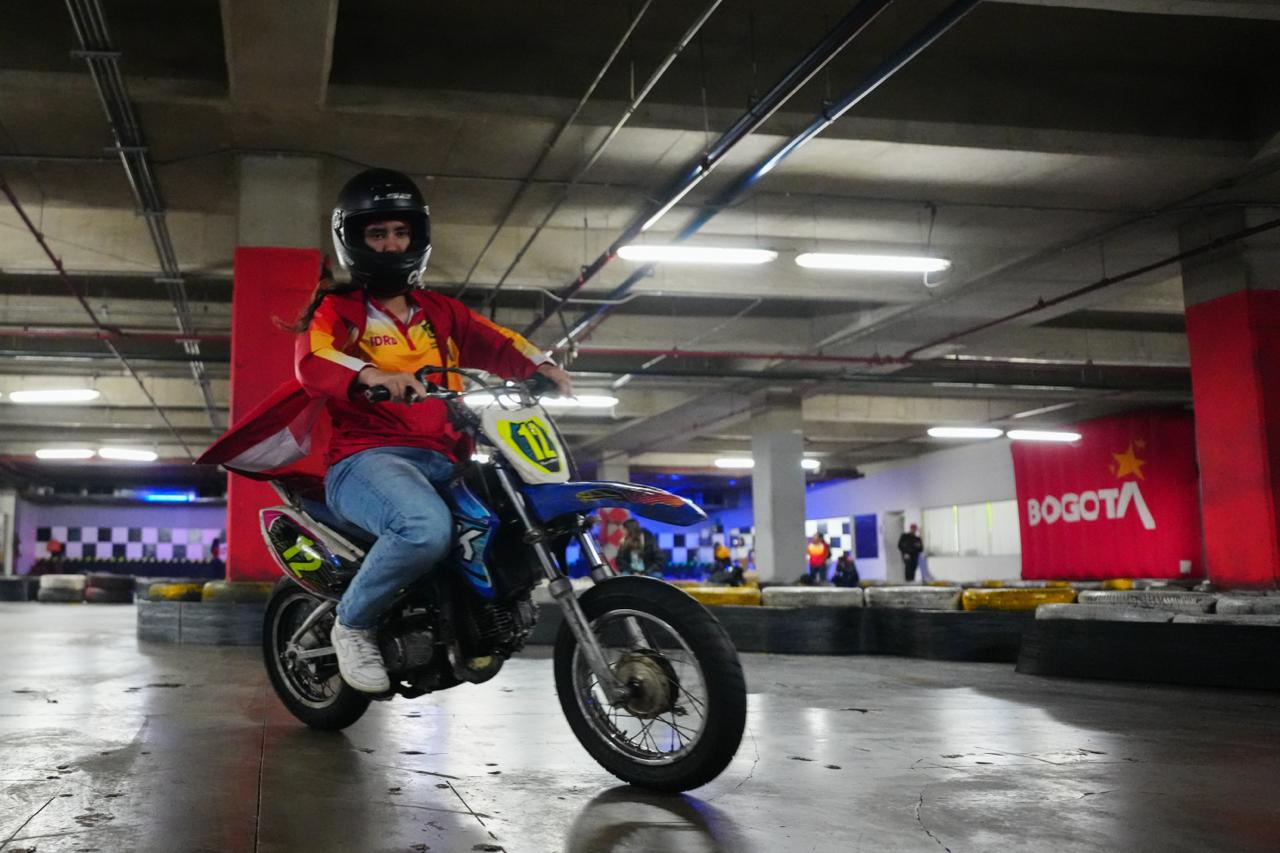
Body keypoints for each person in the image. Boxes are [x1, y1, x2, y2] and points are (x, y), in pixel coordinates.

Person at [295, 168, 572, 693]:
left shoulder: (439, 311)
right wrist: (371, 375)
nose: (391, 243)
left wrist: (543, 367)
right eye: (377, 234)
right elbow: (315, 359)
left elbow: (498, 341)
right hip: (367, 459)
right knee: (423, 529)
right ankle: (351, 624)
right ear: (353, 241)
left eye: (400, 232)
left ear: (417, 237)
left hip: (448, 458)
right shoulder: (340, 311)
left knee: (523, 509)